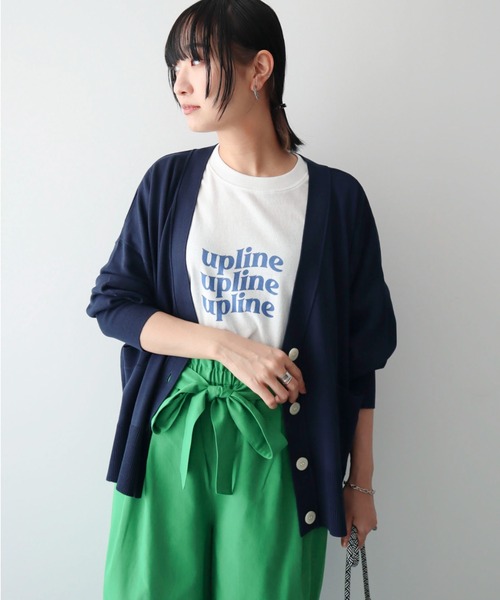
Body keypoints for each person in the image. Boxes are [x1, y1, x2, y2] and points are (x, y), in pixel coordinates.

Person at [87, 0, 397, 598]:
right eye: (174, 66)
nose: (179, 83)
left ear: (259, 68)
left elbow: (361, 359)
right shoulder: (169, 182)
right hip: (171, 435)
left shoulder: (338, 201)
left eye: (196, 61)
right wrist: (225, 347)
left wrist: (360, 484)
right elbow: (113, 304)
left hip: (283, 447)